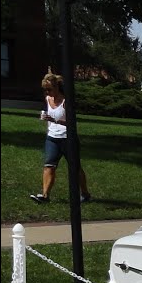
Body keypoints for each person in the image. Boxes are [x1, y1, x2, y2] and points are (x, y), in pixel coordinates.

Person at [30, 69, 91, 204]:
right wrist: (45, 117)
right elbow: (49, 114)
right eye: (45, 90)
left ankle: (85, 193)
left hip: (68, 139)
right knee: (49, 166)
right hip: (52, 138)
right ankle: (45, 196)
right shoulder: (47, 99)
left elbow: (72, 123)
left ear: (57, 87)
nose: (47, 93)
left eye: (49, 89)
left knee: (75, 168)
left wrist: (55, 120)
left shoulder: (65, 102)